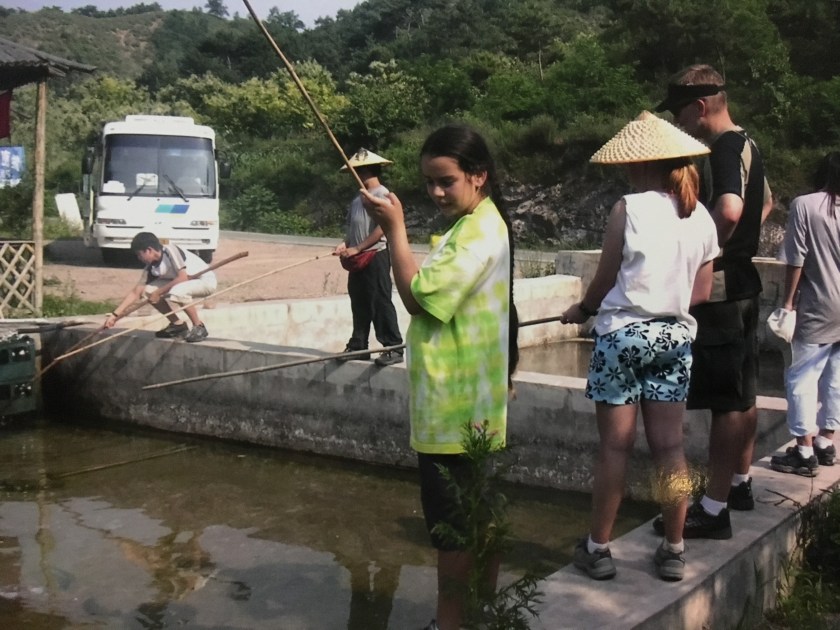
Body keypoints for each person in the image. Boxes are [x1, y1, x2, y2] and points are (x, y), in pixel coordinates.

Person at [362, 124, 519, 630]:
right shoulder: (480, 223)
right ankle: (482, 610)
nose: (435, 191)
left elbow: (417, 297)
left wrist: (394, 231)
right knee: (479, 516)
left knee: (453, 528)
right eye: (428, 181)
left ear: (479, 176)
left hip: (455, 406)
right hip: (472, 399)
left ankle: (450, 623)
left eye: (445, 181)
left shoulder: (478, 232)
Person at [561, 112, 718, 582]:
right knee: (670, 446)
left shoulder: (628, 208)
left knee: (615, 446)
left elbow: (606, 277)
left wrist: (583, 309)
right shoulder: (700, 213)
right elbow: (703, 293)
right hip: (675, 336)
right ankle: (674, 548)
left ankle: (598, 549)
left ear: (643, 163)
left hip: (624, 335)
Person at [652, 64, 774, 540]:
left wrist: (704, 251)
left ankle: (714, 506)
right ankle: (740, 484)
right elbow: (766, 202)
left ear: (700, 107)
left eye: (681, 111)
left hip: (721, 290)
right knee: (743, 394)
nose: (679, 122)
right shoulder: (748, 143)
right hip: (744, 284)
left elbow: (730, 208)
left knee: (725, 403)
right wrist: (740, 242)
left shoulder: (723, 147)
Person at [769, 152, 840, 477]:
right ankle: (827, 441)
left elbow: (796, 258)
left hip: (818, 304)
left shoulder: (806, 205)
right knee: (836, 376)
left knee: (802, 376)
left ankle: (804, 450)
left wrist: (787, 303)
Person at [333, 148, 404, 367]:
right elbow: (352, 227)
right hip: (358, 259)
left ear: (364, 171)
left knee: (379, 300)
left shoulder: (381, 195)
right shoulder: (357, 199)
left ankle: (392, 346)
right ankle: (358, 346)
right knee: (359, 300)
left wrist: (359, 248)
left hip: (375, 256)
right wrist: (345, 244)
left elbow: (383, 228)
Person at [104, 232, 215, 343]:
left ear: (149, 250)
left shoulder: (170, 251)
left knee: (178, 292)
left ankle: (199, 326)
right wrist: (115, 315)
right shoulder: (151, 267)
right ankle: (178, 325)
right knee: (148, 291)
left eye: (139, 254)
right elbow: (136, 292)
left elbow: (182, 277)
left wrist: (158, 292)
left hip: (203, 281)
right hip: (184, 282)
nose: (139, 258)